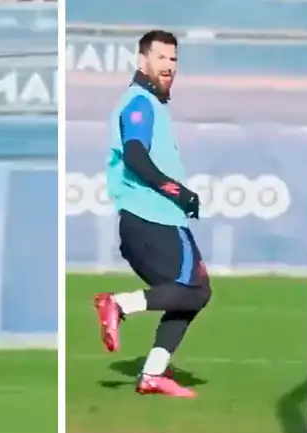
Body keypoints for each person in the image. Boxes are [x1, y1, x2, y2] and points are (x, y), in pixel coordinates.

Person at [93, 30, 209, 399]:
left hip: (154, 218)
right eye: (161, 58)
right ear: (142, 60)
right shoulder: (140, 103)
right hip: (152, 218)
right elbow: (135, 157)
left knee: (194, 294)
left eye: (173, 59)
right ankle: (119, 304)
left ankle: (152, 375)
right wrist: (179, 192)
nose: (169, 66)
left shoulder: (152, 104)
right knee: (192, 291)